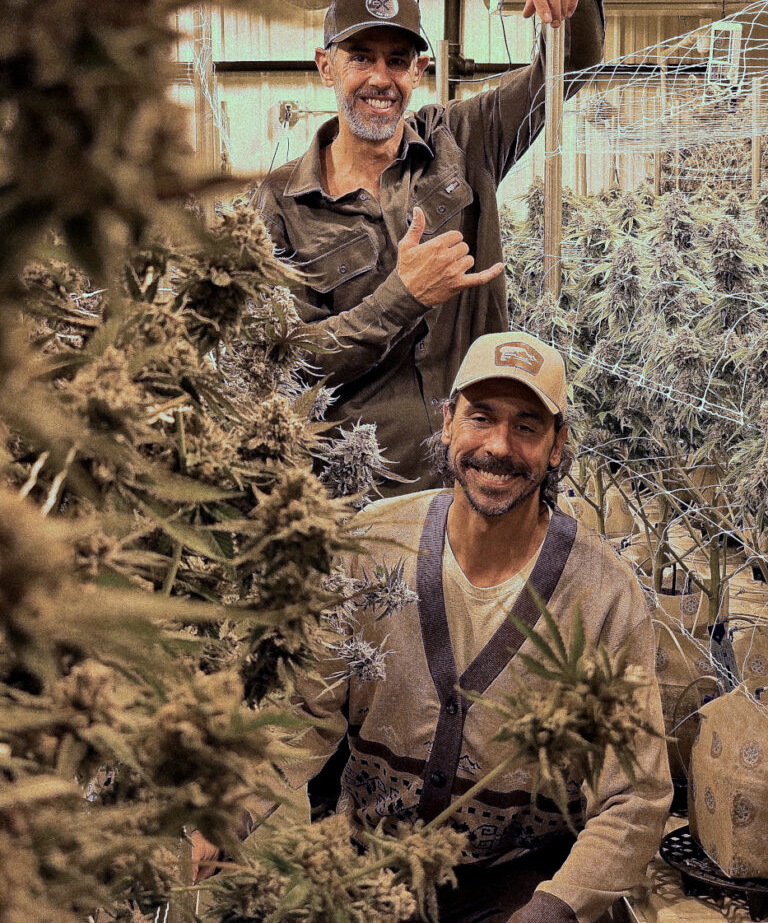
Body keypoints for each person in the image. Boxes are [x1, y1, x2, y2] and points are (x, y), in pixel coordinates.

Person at [193, 331, 672, 922]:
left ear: (556, 446)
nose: (498, 446)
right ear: (448, 423)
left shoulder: (604, 593)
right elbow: (303, 708)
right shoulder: (370, 545)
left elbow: (635, 795)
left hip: (521, 880)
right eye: (480, 418)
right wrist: (231, 805)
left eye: (526, 426)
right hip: (373, 869)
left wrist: (551, 910)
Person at [254, 0, 605, 494]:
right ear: (325, 66)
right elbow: (282, 366)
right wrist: (402, 298)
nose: (380, 78)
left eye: (397, 61)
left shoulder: (463, 140)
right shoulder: (278, 206)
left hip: (478, 483)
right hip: (359, 499)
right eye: (360, 57)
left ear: (417, 71)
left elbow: (571, 67)